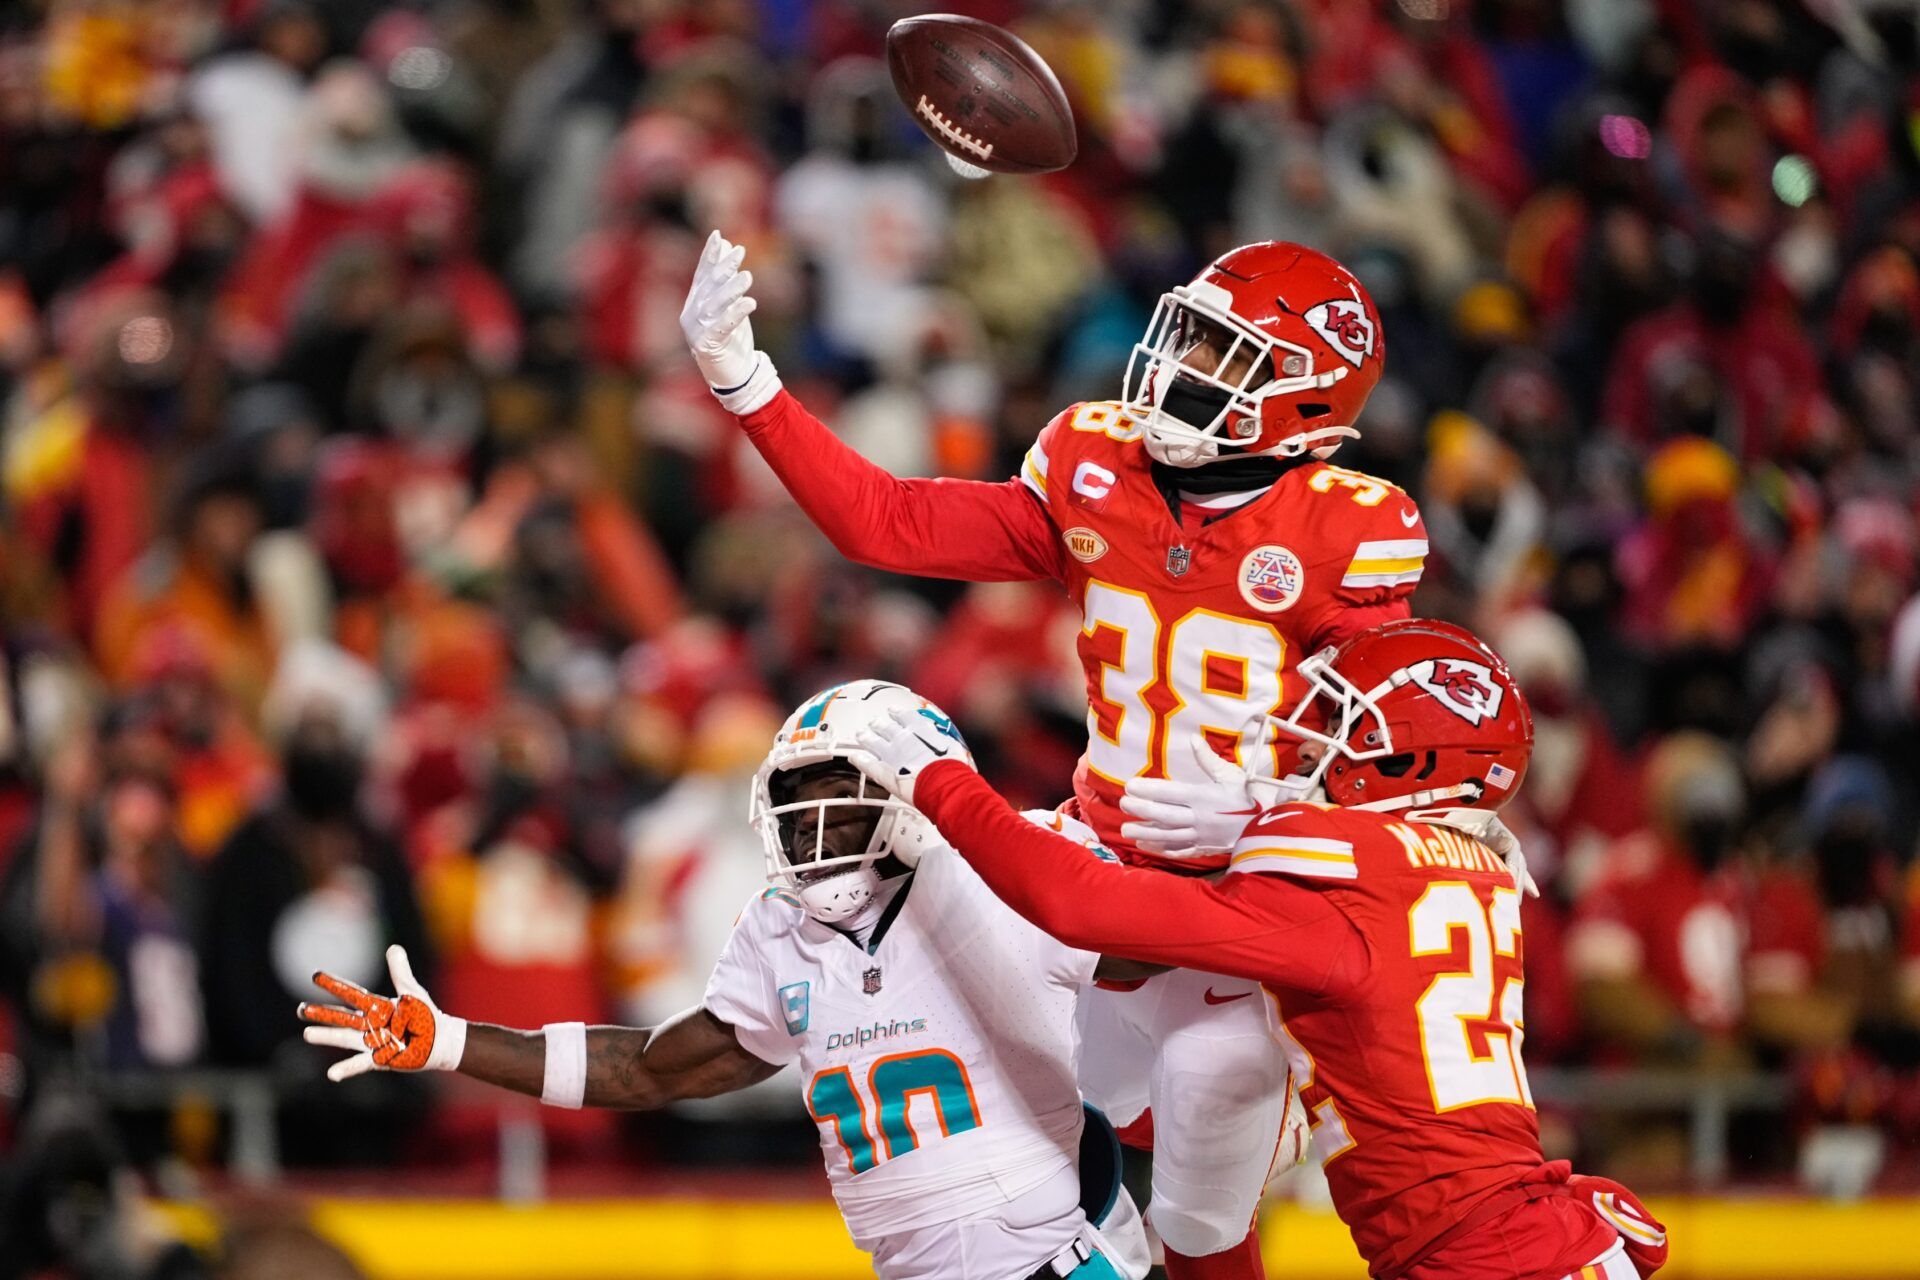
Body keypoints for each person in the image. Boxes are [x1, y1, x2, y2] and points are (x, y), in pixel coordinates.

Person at [683, 229, 1423, 1278]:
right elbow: (890, 524)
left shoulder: (1349, 528)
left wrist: (1270, 822)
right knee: (1034, 1151)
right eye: (1191, 338)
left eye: (1224, 356)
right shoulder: (1096, 462)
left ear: (1304, 398)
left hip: (1240, 904)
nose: (1182, 369)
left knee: (1204, 1215)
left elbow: (1392, 748)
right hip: (1094, 872)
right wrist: (743, 377)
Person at [851, 621, 1671, 1280]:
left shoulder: (1345, 881)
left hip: (1484, 1259)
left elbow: (1078, 903)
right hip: (1519, 1238)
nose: (1311, 748)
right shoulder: (1478, 864)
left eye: (1343, 730)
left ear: (1411, 760)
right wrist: (1255, 832)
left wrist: (941, 785)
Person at [297, 679, 1152, 1280]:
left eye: (838, 801)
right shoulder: (780, 929)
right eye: (797, 808)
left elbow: (1174, 951)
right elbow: (649, 1067)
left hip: (1062, 1262)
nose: (812, 837)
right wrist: (449, 1041)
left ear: (916, 794)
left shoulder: (1008, 873)